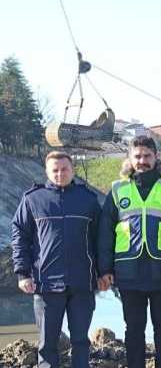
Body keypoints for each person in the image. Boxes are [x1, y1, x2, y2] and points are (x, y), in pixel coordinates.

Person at [98, 136, 161, 368]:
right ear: (130, 158)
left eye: (147, 156)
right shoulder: (117, 190)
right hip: (128, 271)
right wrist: (105, 269)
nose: (142, 161)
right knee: (134, 328)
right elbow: (106, 233)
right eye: (137, 156)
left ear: (156, 157)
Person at [11, 151, 104, 368]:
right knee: (47, 344)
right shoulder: (32, 199)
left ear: (72, 170)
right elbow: (19, 237)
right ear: (46, 171)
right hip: (45, 284)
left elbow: (101, 240)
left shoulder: (88, 200)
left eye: (64, 169)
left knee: (81, 341)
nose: (60, 174)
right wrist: (23, 273)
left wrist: (103, 272)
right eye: (55, 170)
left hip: (82, 283)